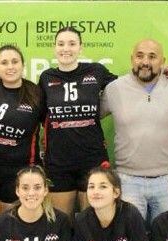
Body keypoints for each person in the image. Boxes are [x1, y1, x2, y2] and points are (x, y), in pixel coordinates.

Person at [101, 39, 168, 225]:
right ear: (132, 59)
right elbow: (88, 118)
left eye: (152, 56)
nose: (145, 62)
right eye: (140, 56)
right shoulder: (114, 89)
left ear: (163, 60)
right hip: (127, 181)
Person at [39, 26, 117, 216]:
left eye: (72, 44)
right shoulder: (46, 77)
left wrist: (162, 73)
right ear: (54, 47)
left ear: (80, 48)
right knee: (61, 222)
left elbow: (129, 86)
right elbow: (35, 109)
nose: (66, 49)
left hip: (92, 158)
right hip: (58, 162)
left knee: (92, 220)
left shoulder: (96, 71)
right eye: (61, 44)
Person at [0, 44, 42, 220]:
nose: (10, 67)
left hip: (20, 172)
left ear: (23, 65)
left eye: (15, 62)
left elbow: (51, 126)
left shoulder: (36, 93)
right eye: (4, 63)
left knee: (11, 229)